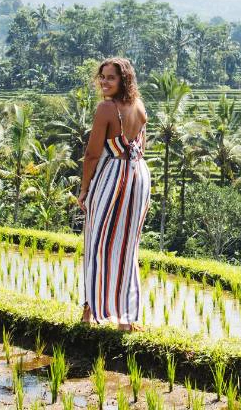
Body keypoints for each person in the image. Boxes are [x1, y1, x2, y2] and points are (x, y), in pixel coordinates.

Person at [77, 57, 151, 329]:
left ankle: (90, 311)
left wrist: (84, 190)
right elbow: (141, 147)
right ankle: (125, 318)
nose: (104, 82)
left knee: (97, 243)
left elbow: (92, 154)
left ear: (123, 80)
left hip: (112, 177)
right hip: (138, 178)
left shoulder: (106, 109)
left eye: (111, 77)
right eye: (102, 76)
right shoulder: (139, 106)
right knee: (126, 247)